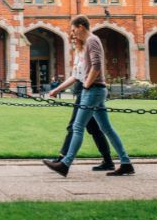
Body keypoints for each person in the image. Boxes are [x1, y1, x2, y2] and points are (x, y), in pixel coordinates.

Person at [43, 15, 134, 177]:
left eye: (73, 30)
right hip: (95, 90)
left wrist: (86, 85)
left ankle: (65, 164)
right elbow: (76, 75)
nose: (73, 33)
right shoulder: (88, 44)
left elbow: (97, 65)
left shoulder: (92, 40)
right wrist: (56, 90)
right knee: (106, 128)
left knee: (77, 127)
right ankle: (126, 163)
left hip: (93, 90)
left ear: (81, 27)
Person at [46, 31, 115, 172]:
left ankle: (62, 160)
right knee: (94, 128)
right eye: (71, 38)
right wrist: (56, 90)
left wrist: (86, 86)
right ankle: (108, 161)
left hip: (86, 93)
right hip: (83, 92)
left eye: (74, 37)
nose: (73, 40)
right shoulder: (78, 54)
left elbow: (92, 69)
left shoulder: (86, 51)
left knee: (74, 126)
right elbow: (74, 77)